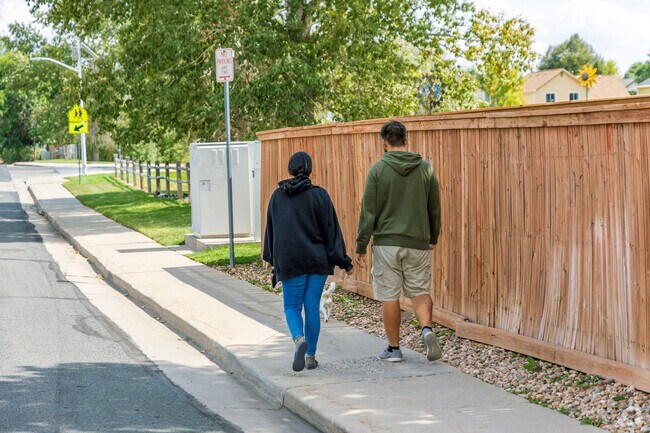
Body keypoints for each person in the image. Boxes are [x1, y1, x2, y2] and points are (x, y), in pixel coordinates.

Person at [355, 120, 442, 362]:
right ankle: (426, 329)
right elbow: (434, 208)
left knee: (390, 295)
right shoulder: (425, 169)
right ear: (407, 140)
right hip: (417, 241)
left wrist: (361, 246)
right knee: (419, 290)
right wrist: (432, 237)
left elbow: (368, 212)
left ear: (384, 142)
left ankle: (394, 349)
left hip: (386, 243)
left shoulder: (377, 170)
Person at [263, 151, 353, 372]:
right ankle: (310, 356)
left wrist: (269, 257)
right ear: (310, 170)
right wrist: (344, 261)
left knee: (292, 306)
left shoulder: (277, 196)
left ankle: (298, 340)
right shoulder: (320, 196)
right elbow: (332, 231)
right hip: (317, 261)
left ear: (290, 169)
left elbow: (271, 230)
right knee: (311, 307)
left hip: (290, 260)